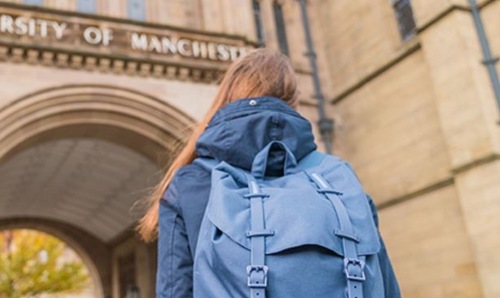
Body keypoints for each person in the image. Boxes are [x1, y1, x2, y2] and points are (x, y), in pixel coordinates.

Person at [138, 48, 400, 297]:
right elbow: (386, 285)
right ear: (293, 102)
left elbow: (175, 292)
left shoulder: (190, 184)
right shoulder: (337, 176)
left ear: (226, 97)